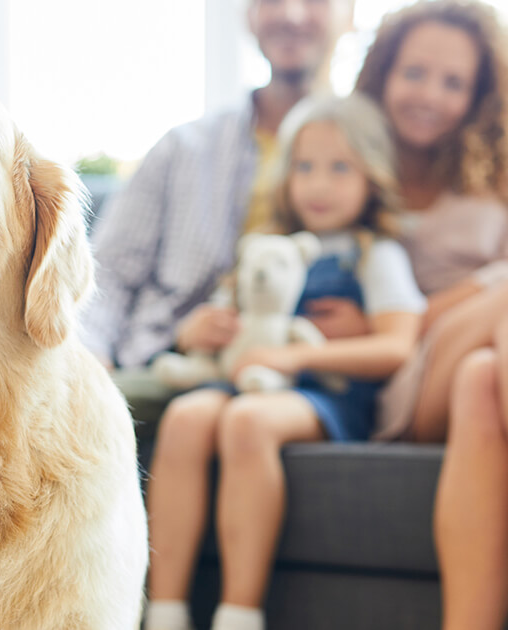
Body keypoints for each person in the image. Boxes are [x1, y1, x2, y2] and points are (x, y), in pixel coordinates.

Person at [143, 94, 425, 630]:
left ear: (373, 176)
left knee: (248, 423)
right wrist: (194, 330)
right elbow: (226, 316)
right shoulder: (264, 245)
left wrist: (293, 354)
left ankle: (239, 612)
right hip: (242, 378)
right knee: (185, 418)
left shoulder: (373, 252)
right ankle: (166, 609)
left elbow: (397, 346)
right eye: (305, 167)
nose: (319, 184)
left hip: (326, 395)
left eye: (340, 168)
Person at [82, 0, 352, 376]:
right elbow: (106, 273)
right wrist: (93, 357)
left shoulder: (372, 149)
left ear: (349, 12)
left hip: (304, 371)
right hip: (169, 360)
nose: (291, 14)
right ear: (250, 14)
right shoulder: (183, 147)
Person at [352, 2, 508, 628]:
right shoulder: (348, 166)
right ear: (384, 72)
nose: (432, 96)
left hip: (476, 359)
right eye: (416, 73)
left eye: (454, 83)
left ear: (477, 94)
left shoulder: (491, 172)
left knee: (480, 379)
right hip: (401, 373)